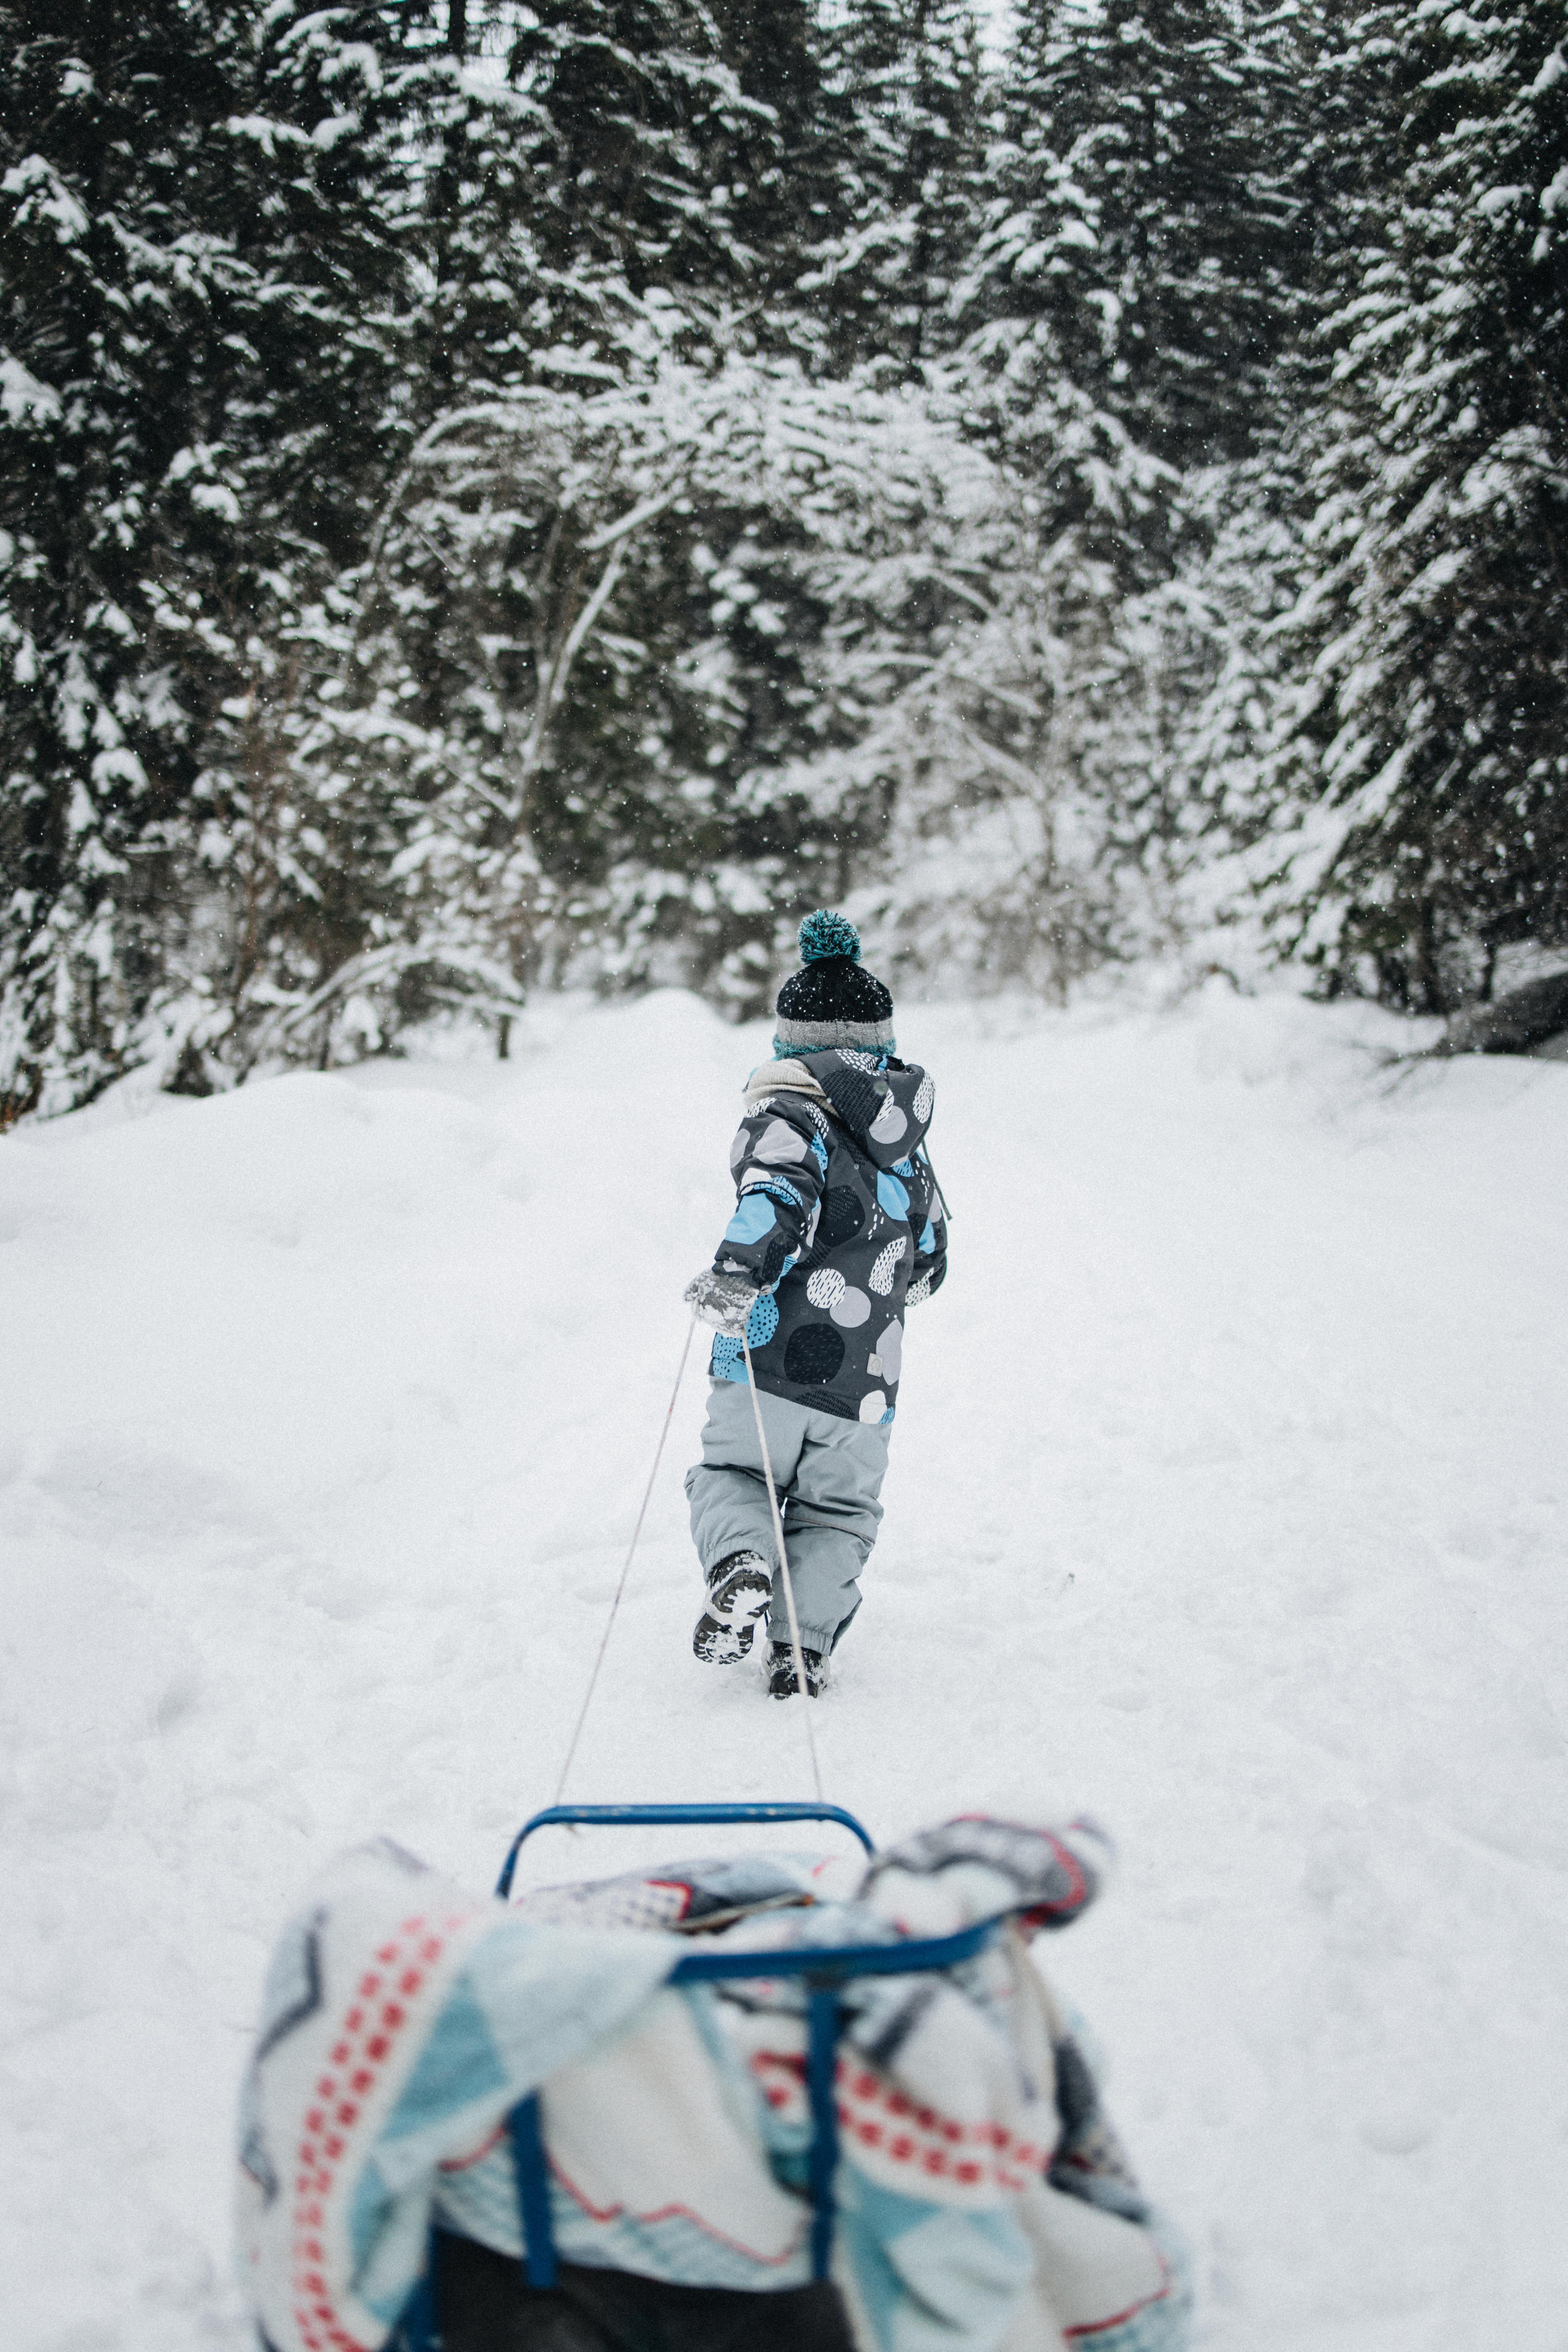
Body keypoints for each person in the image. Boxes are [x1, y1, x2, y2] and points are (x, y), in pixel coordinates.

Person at [682, 912, 946, 1697]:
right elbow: (929, 1258)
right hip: (862, 1384)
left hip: (762, 1360)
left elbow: (776, 1193)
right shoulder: (906, 1145)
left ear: (787, 1044)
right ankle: (801, 1649)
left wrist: (738, 1269)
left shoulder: (788, 1115)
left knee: (734, 1473)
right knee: (837, 1514)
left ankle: (741, 1560)